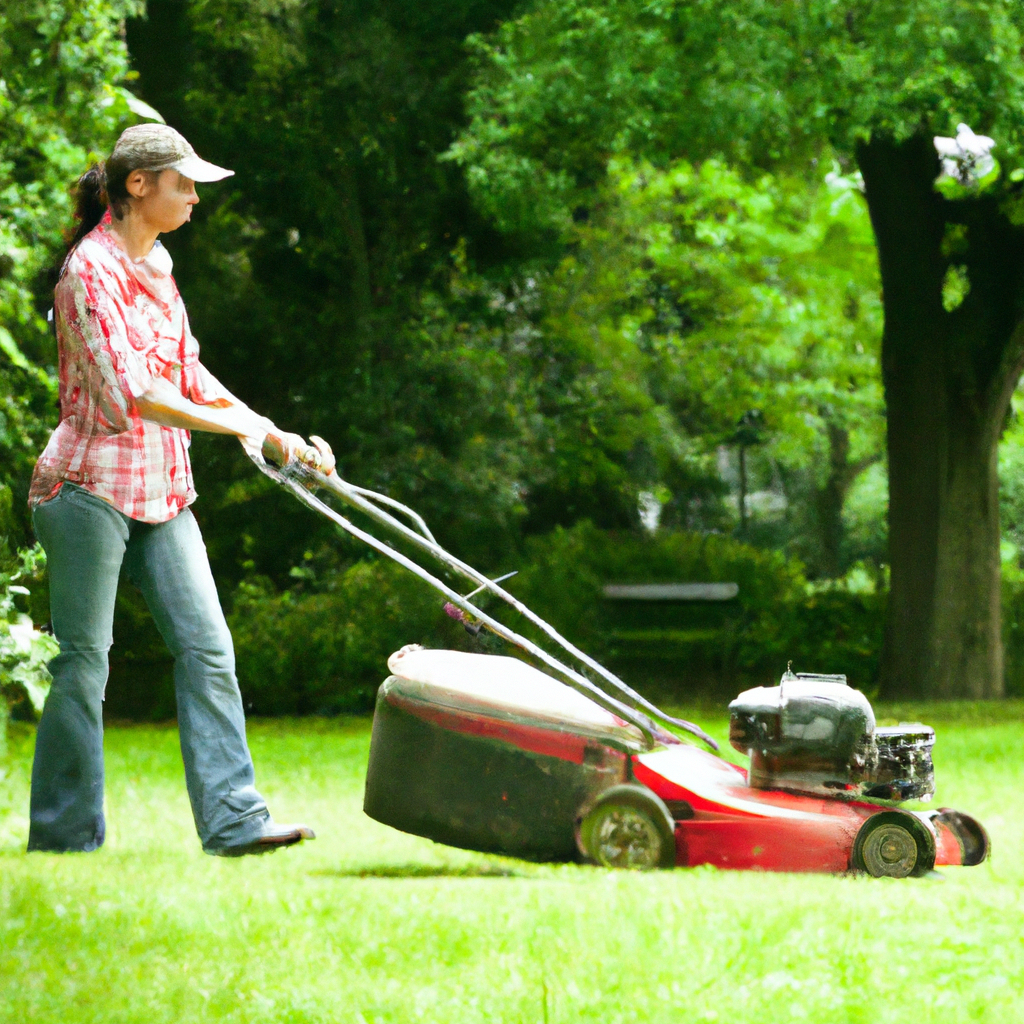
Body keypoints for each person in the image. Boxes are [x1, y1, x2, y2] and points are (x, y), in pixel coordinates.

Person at [26, 123, 332, 856]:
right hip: (87, 487)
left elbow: (187, 373)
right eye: (183, 184)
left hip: (162, 486)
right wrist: (239, 432)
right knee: (83, 661)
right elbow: (138, 393)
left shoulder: (158, 267)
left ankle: (234, 823)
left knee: (208, 648)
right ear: (139, 186)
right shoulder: (87, 274)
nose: (195, 198)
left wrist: (263, 425)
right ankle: (65, 835)